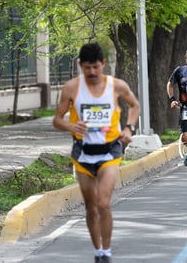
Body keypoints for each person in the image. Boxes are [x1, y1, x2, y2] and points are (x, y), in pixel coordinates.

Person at [53, 43, 140, 263]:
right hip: (82, 152)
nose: (92, 72)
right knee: (91, 208)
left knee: (103, 203)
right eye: (87, 67)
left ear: (103, 64)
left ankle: (107, 252)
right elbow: (57, 120)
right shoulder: (71, 88)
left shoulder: (116, 86)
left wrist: (129, 128)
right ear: (80, 65)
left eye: (96, 67)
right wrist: (71, 126)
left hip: (110, 150)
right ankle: (97, 251)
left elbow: (135, 105)